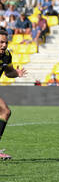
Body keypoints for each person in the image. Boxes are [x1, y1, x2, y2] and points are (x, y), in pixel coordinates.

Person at [0, 29, 27, 160]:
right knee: (5, 111)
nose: (4, 45)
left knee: (5, 112)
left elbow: (8, 72)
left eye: (5, 42)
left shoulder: (6, 55)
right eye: (1, 42)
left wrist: (17, 73)